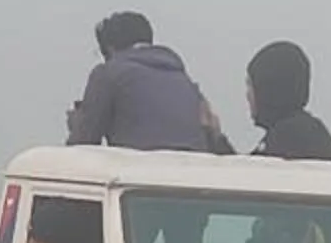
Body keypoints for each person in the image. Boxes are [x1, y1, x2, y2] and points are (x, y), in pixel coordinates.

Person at [66, 11, 217, 151]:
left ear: (110, 49)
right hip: (189, 172)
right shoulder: (184, 81)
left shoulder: (108, 73)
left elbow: (84, 144)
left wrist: (79, 124)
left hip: (139, 173)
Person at [244, 40, 331, 161]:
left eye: (251, 85)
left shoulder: (289, 136)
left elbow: (249, 175)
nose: (247, 95)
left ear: (269, 87)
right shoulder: (306, 131)